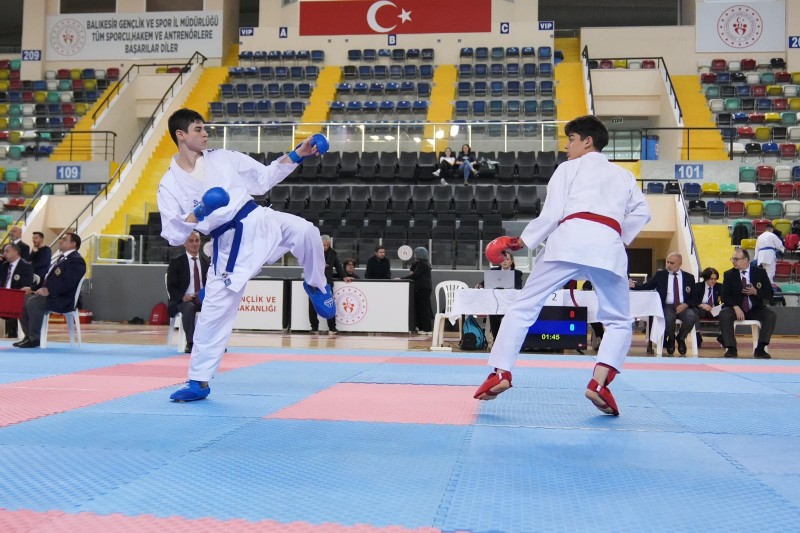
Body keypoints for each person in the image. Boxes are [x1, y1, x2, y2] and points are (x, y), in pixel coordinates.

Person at [473, 115, 651, 417]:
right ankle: (599, 383)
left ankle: (501, 372)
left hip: (569, 240)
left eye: (571, 140)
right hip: (608, 246)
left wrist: (520, 241)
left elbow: (552, 213)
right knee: (620, 320)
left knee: (523, 307)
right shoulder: (624, 175)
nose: (566, 147)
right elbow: (643, 212)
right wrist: (616, 236)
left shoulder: (568, 168)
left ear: (587, 142)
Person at [157, 108, 332, 402]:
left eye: (204, 128)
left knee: (307, 232)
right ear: (181, 135)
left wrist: (298, 154)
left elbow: (263, 178)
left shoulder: (223, 157)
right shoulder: (170, 183)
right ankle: (198, 381)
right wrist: (199, 212)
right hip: (229, 245)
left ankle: (316, 285)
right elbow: (172, 233)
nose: (205, 134)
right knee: (213, 316)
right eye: (198, 129)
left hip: (258, 220)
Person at [15, 232, 86, 349]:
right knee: (21, 299)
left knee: (34, 302)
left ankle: (35, 338)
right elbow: (46, 279)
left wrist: (49, 290)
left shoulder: (76, 260)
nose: (60, 241)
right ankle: (28, 336)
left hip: (64, 299)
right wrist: (32, 288)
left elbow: (68, 283)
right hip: (52, 296)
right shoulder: (61, 258)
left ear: (73, 244)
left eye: (64, 239)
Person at [629, 252, 697, 356]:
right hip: (667, 306)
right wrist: (634, 286)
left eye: (672, 263)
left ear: (680, 263)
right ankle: (671, 338)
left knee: (691, 316)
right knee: (668, 318)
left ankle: (681, 338)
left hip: (684, 306)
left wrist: (685, 305)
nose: (669, 265)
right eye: (668, 262)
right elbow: (648, 286)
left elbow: (695, 297)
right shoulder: (661, 275)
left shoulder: (689, 277)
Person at [718, 248, 775, 359]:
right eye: (732, 259)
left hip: (755, 309)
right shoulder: (729, 274)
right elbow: (725, 296)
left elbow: (769, 293)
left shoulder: (760, 272)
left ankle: (760, 348)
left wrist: (755, 292)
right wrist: (736, 307)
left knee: (770, 315)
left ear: (745, 260)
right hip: (736, 308)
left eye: (736, 259)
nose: (733, 261)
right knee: (724, 313)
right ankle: (731, 348)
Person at [166, 230, 209, 353]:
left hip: (203, 299)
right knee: (189, 307)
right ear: (184, 243)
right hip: (184, 300)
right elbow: (171, 286)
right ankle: (191, 343)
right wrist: (182, 297)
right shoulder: (176, 262)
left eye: (197, 240)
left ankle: (214, 342)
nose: (194, 244)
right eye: (191, 241)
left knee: (217, 308)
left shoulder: (207, 261)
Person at [309, 235, 352, 335]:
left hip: (327, 283)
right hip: (314, 283)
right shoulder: (313, 252)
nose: (325, 247)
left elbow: (338, 266)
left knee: (329, 305)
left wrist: (344, 276)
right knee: (313, 306)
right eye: (324, 245)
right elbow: (308, 266)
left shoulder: (332, 253)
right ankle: (314, 327)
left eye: (327, 245)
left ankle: (332, 327)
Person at [476, 252, 523, 339]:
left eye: (507, 259)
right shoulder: (493, 271)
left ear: (511, 261)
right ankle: (496, 338)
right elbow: (484, 284)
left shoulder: (517, 273)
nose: (504, 261)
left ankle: (507, 338)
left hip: (509, 302)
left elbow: (518, 287)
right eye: (502, 259)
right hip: (495, 302)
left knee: (509, 316)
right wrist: (480, 285)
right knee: (493, 312)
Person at [1, 242, 34, 338]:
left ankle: (12, 333)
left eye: (7, 251)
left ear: (15, 252)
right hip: (3, 293)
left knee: (12, 300)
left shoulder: (26, 266)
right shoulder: (4, 265)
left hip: (16, 295)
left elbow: (26, 285)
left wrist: (8, 293)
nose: (4, 254)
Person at [402, 246, 433, 334]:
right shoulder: (423, 263)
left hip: (423, 289)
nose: (414, 255)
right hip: (423, 288)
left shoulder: (422, 264)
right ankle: (422, 327)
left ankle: (427, 329)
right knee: (422, 308)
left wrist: (401, 278)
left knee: (423, 309)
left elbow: (414, 275)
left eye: (415, 253)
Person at [691, 267, 721, 348]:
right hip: (702, 310)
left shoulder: (720, 287)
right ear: (706, 278)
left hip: (714, 310)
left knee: (725, 312)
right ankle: (697, 335)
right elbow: (692, 300)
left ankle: (722, 335)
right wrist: (701, 305)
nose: (713, 281)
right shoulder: (697, 286)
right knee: (694, 311)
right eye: (711, 279)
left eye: (715, 279)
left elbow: (726, 299)